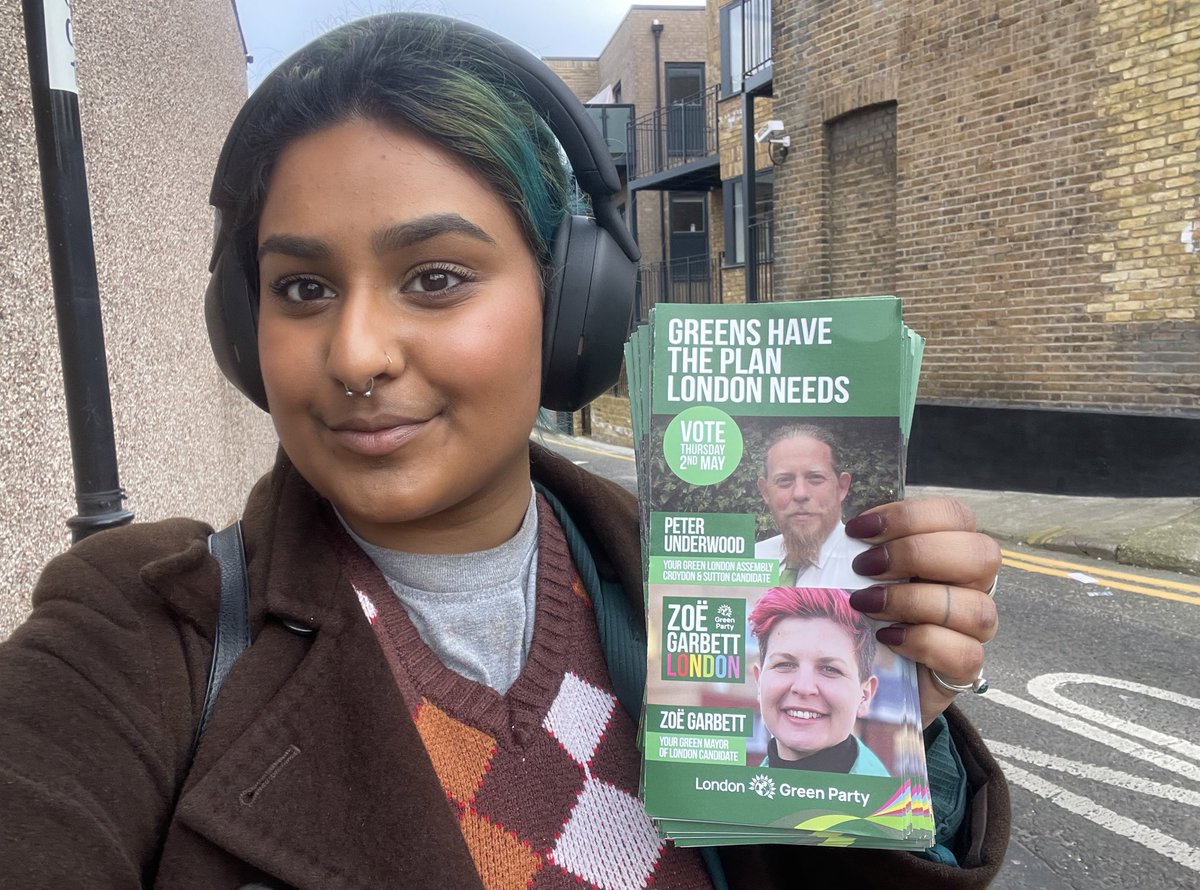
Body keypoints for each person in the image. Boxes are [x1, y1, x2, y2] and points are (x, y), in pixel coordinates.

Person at [0, 13, 1007, 887]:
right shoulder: (133, 638)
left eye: (435, 276)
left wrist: (890, 741)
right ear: (241, 325)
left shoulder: (708, 587)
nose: (354, 354)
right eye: (302, 288)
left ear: (571, 309)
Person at [749, 586, 890, 776]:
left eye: (829, 669)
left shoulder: (896, 803)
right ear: (759, 683)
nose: (803, 687)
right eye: (784, 664)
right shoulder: (733, 796)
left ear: (864, 696)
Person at [755, 424, 874, 587]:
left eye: (815, 478)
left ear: (842, 487)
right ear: (765, 491)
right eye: (784, 480)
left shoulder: (873, 566)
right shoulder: (751, 560)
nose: (800, 493)